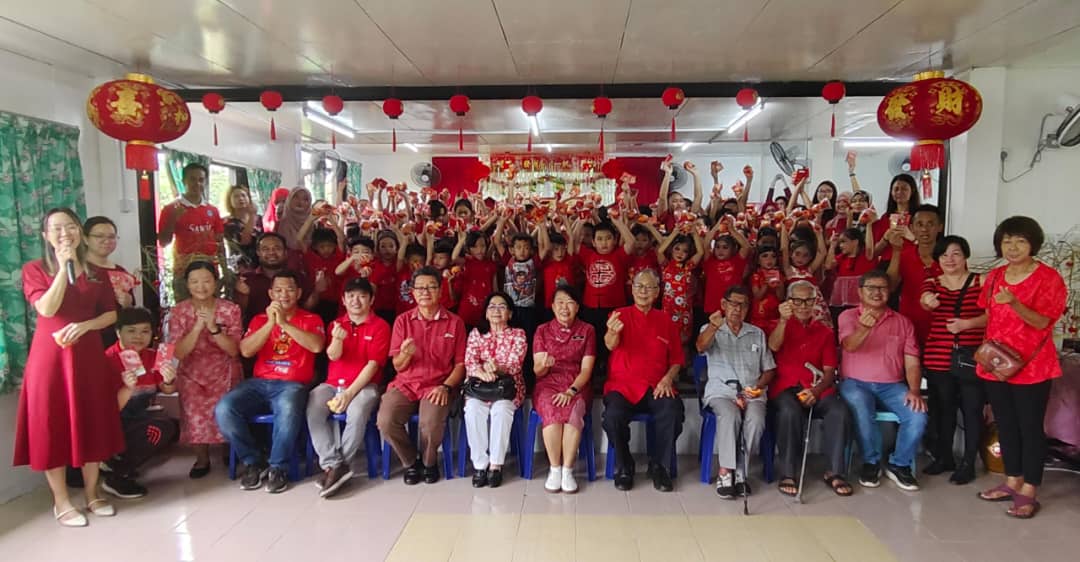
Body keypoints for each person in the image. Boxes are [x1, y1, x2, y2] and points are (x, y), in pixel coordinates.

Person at [15, 208, 124, 527]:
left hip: (88, 355)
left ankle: (92, 494)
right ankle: (61, 502)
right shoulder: (34, 269)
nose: (65, 233)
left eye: (71, 226)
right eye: (57, 229)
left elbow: (111, 314)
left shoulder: (96, 272)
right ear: (46, 236)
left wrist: (86, 325)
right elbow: (47, 308)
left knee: (92, 420)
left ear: (80, 232)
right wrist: (63, 269)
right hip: (50, 357)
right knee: (53, 425)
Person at [976, 217, 1066, 519]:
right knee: (1005, 423)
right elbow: (990, 316)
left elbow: (1042, 322)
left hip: (1032, 366)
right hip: (996, 363)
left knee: (1030, 427)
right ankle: (1011, 479)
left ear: (1033, 244)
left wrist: (1014, 303)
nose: (1012, 247)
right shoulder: (995, 276)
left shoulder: (1048, 278)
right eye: (1007, 241)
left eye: (1020, 241)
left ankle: (1029, 489)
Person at [216, 271, 325, 493]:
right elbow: (246, 350)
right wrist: (270, 324)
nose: (284, 294)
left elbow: (316, 346)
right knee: (224, 409)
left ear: (299, 293)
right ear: (270, 294)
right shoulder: (259, 320)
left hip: (292, 384)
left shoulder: (310, 319)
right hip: (259, 383)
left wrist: (284, 323)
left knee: (288, 408)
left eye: (289, 289)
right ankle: (253, 462)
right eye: (278, 290)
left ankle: (278, 467)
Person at [377, 266, 467, 485]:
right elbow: (397, 366)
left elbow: (461, 364)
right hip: (406, 383)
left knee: (431, 423)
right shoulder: (402, 321)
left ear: (440, 291)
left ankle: (429, 462)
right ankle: (411, 461)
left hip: (438, 384)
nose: (425, 292)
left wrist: (446, 387)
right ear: (413, 292)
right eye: (420, 288)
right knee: (386, 420)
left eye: (431, 287)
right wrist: (405, 355)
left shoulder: (455, 322)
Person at [838, 270, 927, 491]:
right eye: (871, 288)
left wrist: (914, 390)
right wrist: (864, 328)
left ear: (890, 291)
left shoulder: (903, 322)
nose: (877, 293)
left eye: (882, 288)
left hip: (892, 385)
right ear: (860, 292)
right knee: (861, 407)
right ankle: (871, 462)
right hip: (855, 382)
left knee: (917, 414)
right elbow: (849, 346)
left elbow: (912, 362)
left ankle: (899, 464)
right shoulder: (848, 316)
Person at [306, 278, 390, 498]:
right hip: (332, 384)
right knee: (313, 406)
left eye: (362, 296)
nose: (356, 301)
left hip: (365, 385)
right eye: (351, 296)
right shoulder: (335, 324)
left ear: (371, 300)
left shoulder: (380, 326)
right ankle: (333, 464)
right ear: (343, 300)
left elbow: (373, 365)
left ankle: (338, 468)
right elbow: (333, 356)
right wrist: (337, 339)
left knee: (357, 410)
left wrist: (350, 394)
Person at [767, 281, 853, 497]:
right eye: (798, 301)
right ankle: (788, 472)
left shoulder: (824, 331)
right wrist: (783, 321)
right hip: (786, 387)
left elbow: (829, 371)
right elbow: (773, 346)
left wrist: (816, 391)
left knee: (839, 411)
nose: (803, 306)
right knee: (789, 411)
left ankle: (835, 471)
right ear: (789, 302)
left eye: (808, 301)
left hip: (817, 388)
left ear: (815, 302)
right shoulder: (777, 325)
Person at [602, 269, 685, 492]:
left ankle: (659, 465)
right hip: (622, 386)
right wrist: (612, 332)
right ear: (632, 289)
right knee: (612, 417)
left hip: (656, 385)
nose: (643, 291)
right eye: (639, 286)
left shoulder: (666, 320)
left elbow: (677, 359)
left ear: (657, 292)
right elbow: (610, 344)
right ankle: (624, 465)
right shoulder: (619, 315)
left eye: (649, 287)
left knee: (672, 411)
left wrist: (668, 379)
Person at [696, 286, 776, 499]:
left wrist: (757, 388)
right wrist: (713, 327)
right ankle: (725, 471)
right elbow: (700, 347)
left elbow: (769, 370)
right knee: (730, 415)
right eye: (733, 304)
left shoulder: (757, 333)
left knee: (756, 419)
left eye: (743, 305)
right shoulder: (711, 327)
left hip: (752, 392)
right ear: (724, 304)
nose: (738, 309)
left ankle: (741, 471)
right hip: (722, 391)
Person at [919, 235, 987, 484]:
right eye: (944, 255)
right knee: (943, 409)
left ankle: (969, 462)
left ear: (965, 256)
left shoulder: (981, 281)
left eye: (956, 253)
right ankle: (944, 457)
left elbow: (994, 314)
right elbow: (925, 301)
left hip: (971, 357)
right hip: (938, 356)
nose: (950, 259)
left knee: (972, 409)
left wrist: (967, 324)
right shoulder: (932, 283)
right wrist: (929, 302)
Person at [168, 261, 243, 478]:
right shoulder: (178, 312)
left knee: (226, 412)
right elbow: (179, 352)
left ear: (216, 282)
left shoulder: (230, 309)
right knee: (195, 416)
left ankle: (229, 452)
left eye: (206, 281)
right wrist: (197, 328)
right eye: (194, 282)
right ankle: (202, 459)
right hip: (192, 372)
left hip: (224, 369)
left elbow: (234, 350)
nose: (201, 286)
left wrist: (213, 328)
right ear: (187, 284)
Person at [103, 307, 180, 498]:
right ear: (118, 332)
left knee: (172, 427)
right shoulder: (107, 360)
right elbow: (109, 410)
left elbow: (168, 390)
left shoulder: (153, 356)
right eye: (131, 331)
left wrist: (169, 379)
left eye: (145, 331)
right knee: (159, 429)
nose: (138, 337)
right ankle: (119, 474)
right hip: (110, 423)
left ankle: (119, 464)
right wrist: (128, 388)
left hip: (139, 416)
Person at [532, 285, 595, 493]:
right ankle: (555, 469)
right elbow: (537, 371)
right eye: (559, 302)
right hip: (548, 383)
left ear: (577, 307)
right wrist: (544, 365)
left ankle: (568, 470)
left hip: (577, 384)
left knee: (573, 412)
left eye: (569, 302)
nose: (564, 307)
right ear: (552, 306)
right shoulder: (542, 330)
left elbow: (586, 369)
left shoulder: (587, 330)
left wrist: (571, 390)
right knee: (551, 408)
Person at [463, 293, 528, 488]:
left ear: (510, 313)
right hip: (480, 387)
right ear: (485, 313)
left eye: (502, 306)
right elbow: (470, 360)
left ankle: (495, 465)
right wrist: (481, 373)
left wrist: (497, 369)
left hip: (508, 388)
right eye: (492, 306)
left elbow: (515, 364)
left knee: (501, 410)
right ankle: (480, 465)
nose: (496, 310)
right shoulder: (476, 333)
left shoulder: (518, 334)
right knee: (473, 409)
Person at [157, 163, 225, 301]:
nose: (197, 184)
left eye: (201, 180)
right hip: (184, 272)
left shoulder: (212, 210)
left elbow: (219, 241)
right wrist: (173, 219)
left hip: (210, 271)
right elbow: (163, 242)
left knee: (211, 309)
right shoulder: (171, 209)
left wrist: (225, 269)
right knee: (185, 309)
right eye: (192, 179)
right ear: (184, 181)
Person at [235, 233, 316, 326]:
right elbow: (238, 313)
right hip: (257, 331)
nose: (271, 252)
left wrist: (317, 290)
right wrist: (242, 295)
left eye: (277, 248)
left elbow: (307, 308)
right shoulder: (246, 280)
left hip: (293, 330)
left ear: (286, 252)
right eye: (266, 249)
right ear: (258, 252)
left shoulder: (298, 277)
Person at [83, 215, 136, 348]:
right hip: (87, 335)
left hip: (116, 340)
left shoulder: (121, 271)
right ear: (85, 239)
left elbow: (130, 311)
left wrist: (128, 303)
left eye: (111, 237)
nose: (106, 241)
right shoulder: (79, 270)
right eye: (99, 236)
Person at [222, 185, 264, 272]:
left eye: (243, 195)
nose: (241, 198)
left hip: (260, 265)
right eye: (236, 196)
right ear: (229, 201)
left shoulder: (259, 218)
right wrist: (252, 216)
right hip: (240, 266)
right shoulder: (227, 222)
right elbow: (244, 241)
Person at [273, 187, 315, 253]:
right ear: (289, 199)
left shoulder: (315, 225)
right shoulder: (279, 225)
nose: (300, 201)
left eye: (305, 199)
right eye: (296, 197)